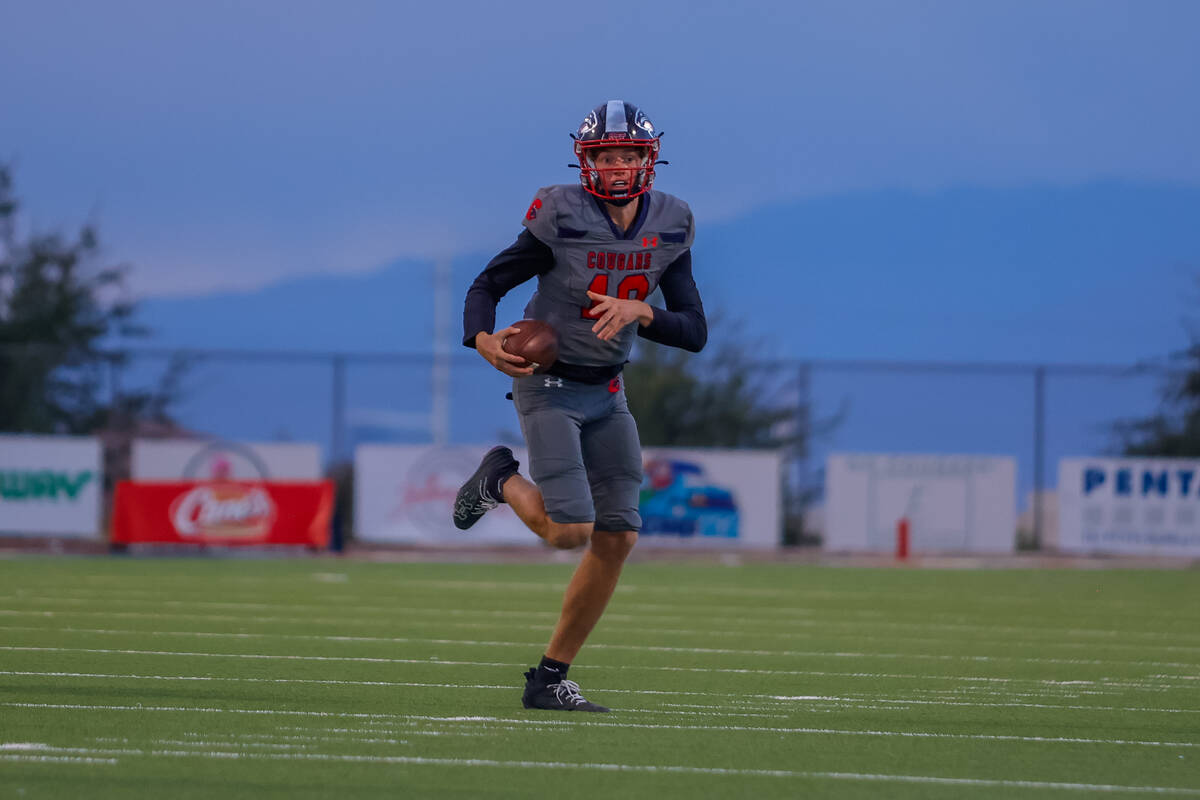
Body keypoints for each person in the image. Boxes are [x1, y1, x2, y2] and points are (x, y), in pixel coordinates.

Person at [454, 100, 707, 712]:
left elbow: (694, 330)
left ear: (648, 161)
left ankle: (549, 678)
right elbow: (487, 285)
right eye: (606, 155)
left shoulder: (671, 223)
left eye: (627, 155)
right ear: (585, 160)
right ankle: (502, 479)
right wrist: (483, 339)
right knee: (570, 531)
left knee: (617, 538)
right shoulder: (560, 216)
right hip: (549, 385)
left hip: (609, 390)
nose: (617, 166)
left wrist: (642, 311)